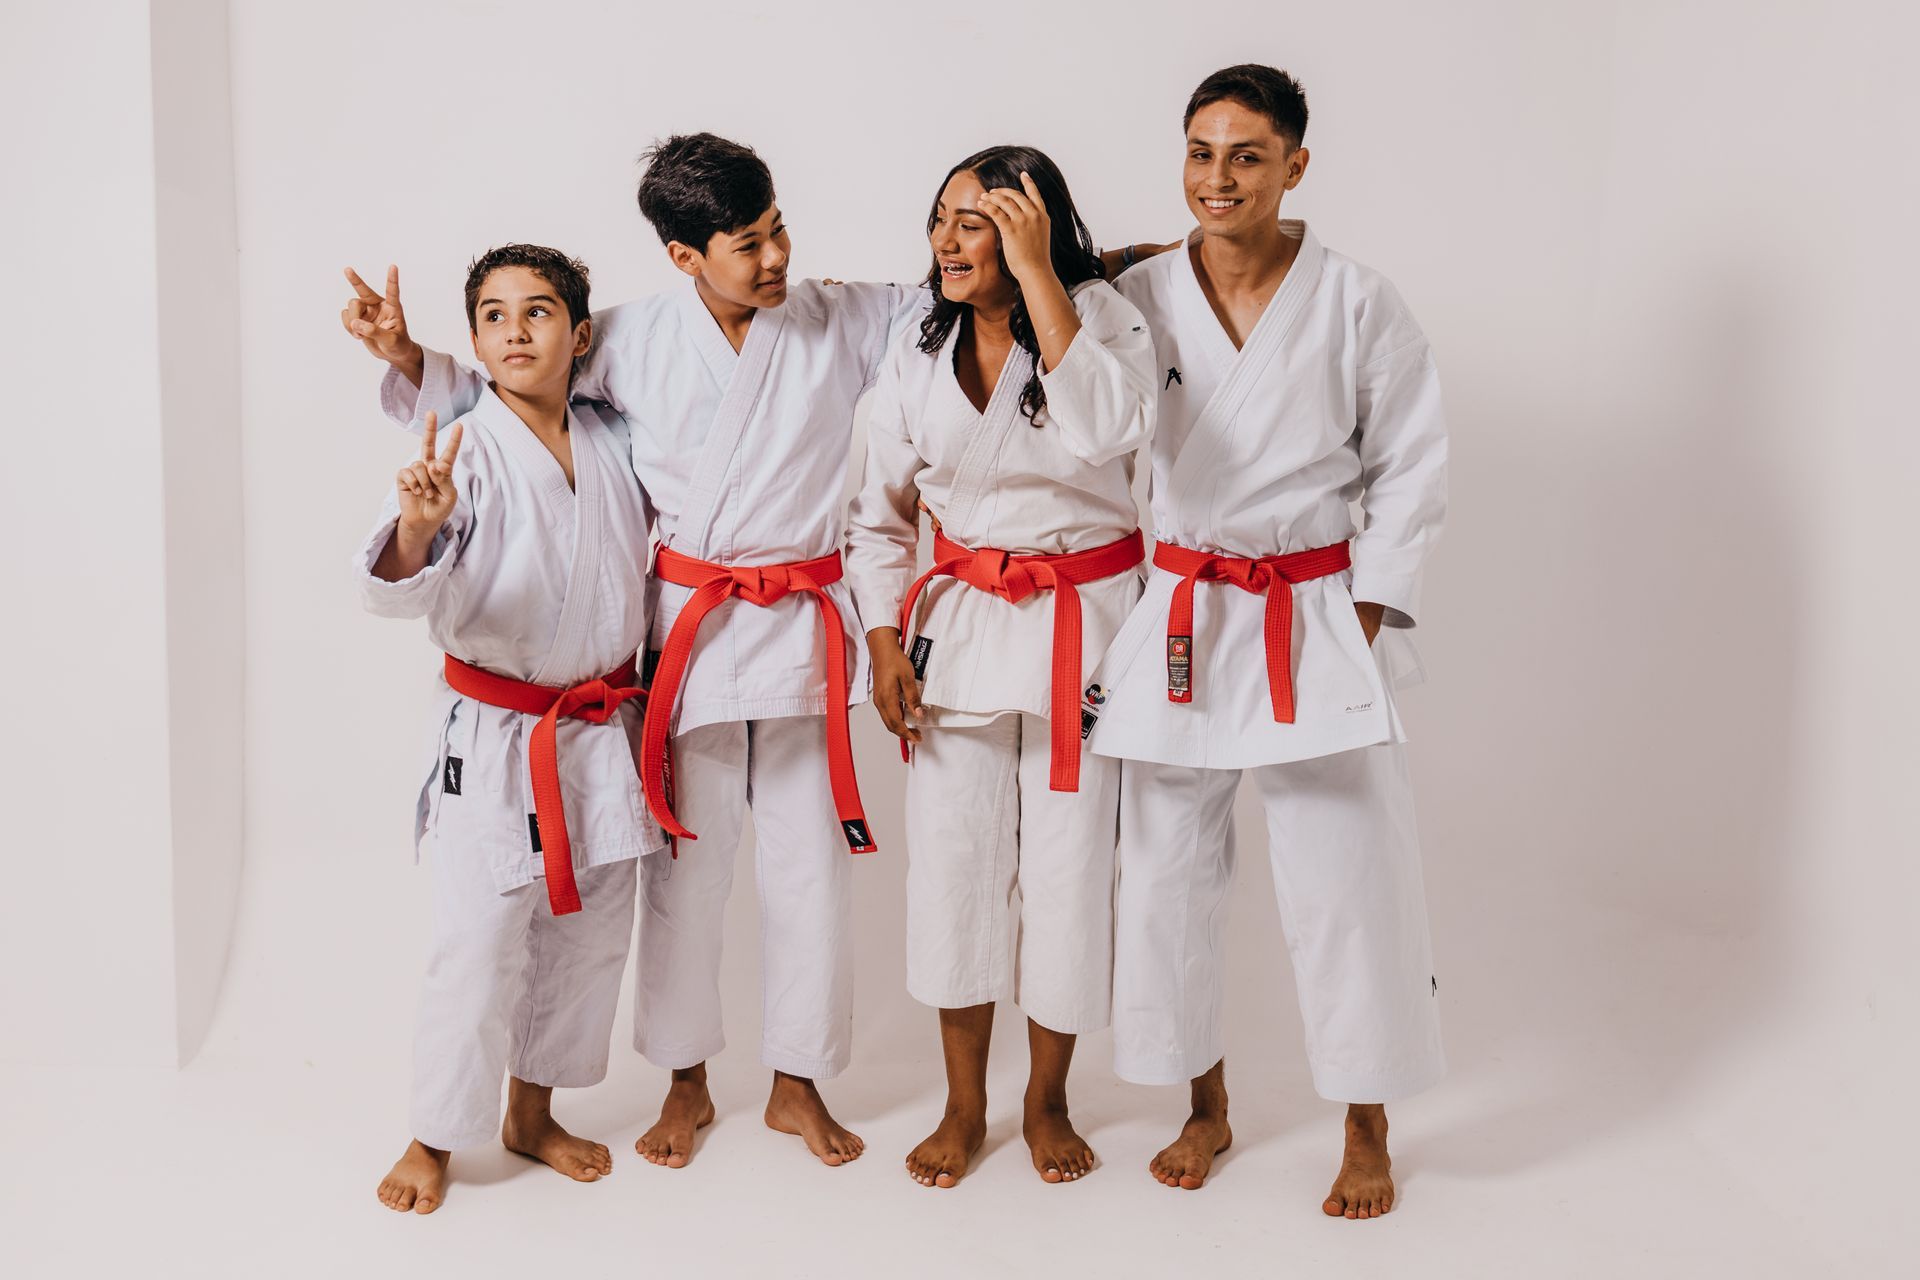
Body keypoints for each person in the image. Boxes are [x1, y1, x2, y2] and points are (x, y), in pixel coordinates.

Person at [348, 133, 918, 1169]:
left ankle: (799, 1079)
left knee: (810, 867)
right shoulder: (630, 339)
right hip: (685, 650)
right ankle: (685, 1081)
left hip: (797, 633)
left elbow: (951, 303)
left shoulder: (839, 316)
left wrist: (1083, 260)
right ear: (684, 256)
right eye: (747, 243)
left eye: (778, 227)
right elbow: (507, 377)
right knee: (685, 871)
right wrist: (403, 361)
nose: (777, 256)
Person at [1088, 64, 1449, 1217]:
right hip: (1187, 613)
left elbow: (1410, 463)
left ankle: (1367, 1119)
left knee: (1349, 880)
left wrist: (1365, 606)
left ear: (1297, 165)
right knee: (1166, 878)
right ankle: (1205, 1101)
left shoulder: (1356, 300)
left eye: (1248, 155)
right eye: (1201, 151)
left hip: (1313, 610)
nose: (1219, 176)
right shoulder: (1135, 294)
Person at [847, 146, 1156, 1188]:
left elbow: (1110, 424)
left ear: (1033, 229)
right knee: (953, 874)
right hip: (962, 631)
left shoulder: (1103, 319)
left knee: (1070, 877)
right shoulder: (914, 349)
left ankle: (1048, 1096)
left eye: (975, 220)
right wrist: (883, 637)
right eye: (940, 217)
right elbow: (875, 514)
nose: (946, 238)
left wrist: (1042, 284)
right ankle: (964, 1101)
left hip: (1085, 631)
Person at [354, 245, 660, 1213]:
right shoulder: (464, 445)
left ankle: (532, 1109)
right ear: (475, 340)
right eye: (493, 315)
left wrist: (412, 357)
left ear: (580, 332)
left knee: (588, 935)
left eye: (539, 312)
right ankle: (435, 1132)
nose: (516, 330)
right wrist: (416, 525)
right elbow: (406, 578)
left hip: (603, 727)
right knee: (480, 939)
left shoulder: (614, 433)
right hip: (498, 734)